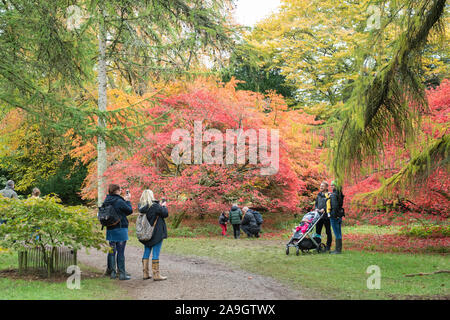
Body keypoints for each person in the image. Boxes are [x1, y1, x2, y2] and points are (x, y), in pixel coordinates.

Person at [103, 184, 133, 280]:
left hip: (110, 228)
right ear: (117, 190)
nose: (121, 191)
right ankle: (122, 273)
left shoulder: (106, 201)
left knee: (112, 250)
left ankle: (112, 272)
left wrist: (123, 200)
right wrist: (128, 201)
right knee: (120, 251)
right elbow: (129, 211)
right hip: (120, 228)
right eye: (120, 189)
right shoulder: (119, 201)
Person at [138, 190, 169, 281]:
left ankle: (145, 273)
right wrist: (164, 206)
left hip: (146, 233)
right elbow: (165, 214)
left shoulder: (141, 206)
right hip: (156, 233)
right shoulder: (155, 206)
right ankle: (156, 274)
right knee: (156, 252)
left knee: (146, 251)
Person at [314, 181, 333, 252]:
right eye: (320, 186)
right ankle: (318, 246)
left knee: (328, 232)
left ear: (326, 187)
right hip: (318, 216)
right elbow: (316, 203)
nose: (321, 187)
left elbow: (330, 204)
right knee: (317, 232)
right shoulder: (318, 195)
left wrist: (324, 209)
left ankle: (328, 246)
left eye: (323, 186)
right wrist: (316, 208)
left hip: (326, 216)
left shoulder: (329, 195)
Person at [329, 181, 345, 254]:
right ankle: (339, 249)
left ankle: (337, 250)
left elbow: (334, 206)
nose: (331, 186)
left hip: (334, 216)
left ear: (336, 186)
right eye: (331, 185)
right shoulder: (340, 194)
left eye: (333, 185)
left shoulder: (333, 195)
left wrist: (334, 216)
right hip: (340, 215)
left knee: (336, 232)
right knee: (339, 232)